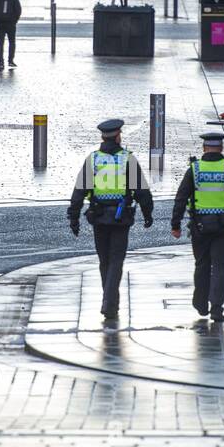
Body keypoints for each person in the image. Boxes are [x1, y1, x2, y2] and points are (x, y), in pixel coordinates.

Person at [67, 119, 155, 322]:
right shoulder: (127, 159)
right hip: (121, 218)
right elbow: (142, 191)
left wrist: (74, 216)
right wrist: (147, 213)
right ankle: (109, 303)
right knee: (116, 260)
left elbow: (79, 190)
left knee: (104, 261)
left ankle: (109, 302)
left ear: (102, 137)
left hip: (98, 217)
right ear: (118, 136)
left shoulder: (93, 159)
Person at [170, 132, 224, 323]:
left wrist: (176, 224)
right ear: (221, 148)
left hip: (200, 226)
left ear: (204, 148)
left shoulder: (194, 170)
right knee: (220, 267)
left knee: (202, 264)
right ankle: (216, 308)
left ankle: (200, 303)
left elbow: (181, 197)